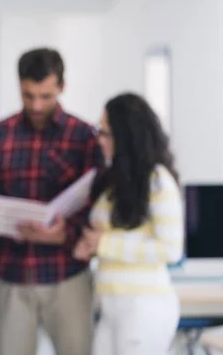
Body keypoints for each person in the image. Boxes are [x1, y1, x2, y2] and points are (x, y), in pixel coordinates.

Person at [0, 48, 103, 355]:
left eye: (45, 96)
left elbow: (98, 205)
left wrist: (64, 233)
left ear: (61, 87)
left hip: (67, 275)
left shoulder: (85, 137)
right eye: (28, 95)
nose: (36, 105)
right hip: (10, 274)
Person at [74, 93, 183, 355]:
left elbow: (170, 249)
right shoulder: (112, 179)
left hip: (143, 307)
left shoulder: (158, 180)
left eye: (106, 133)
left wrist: (104, 243)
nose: (99, 139)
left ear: (126, 136)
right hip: (111, 306)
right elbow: (111, 234)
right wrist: (89, 244)